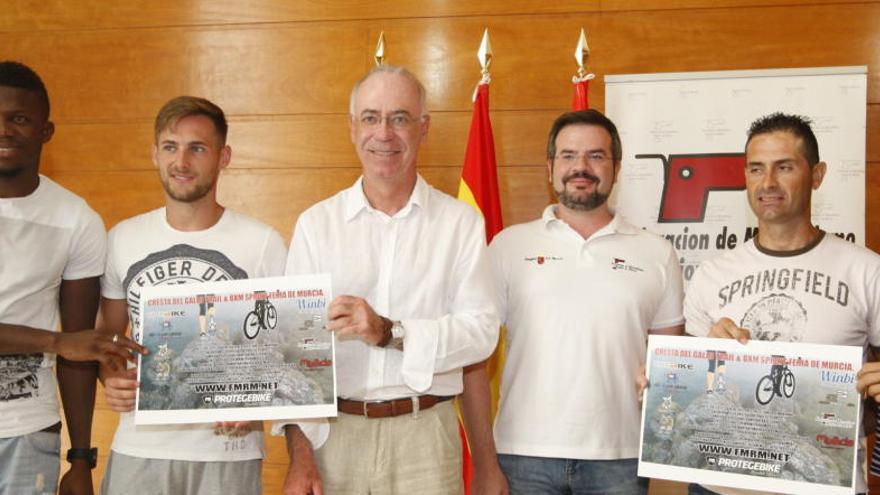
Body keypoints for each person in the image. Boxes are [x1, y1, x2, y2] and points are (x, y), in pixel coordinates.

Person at [278, 65, 500, 495]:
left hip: (427, 441)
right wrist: (300, 459)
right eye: (370, 117)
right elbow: (295, 354)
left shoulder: (460, 224)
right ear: (351, 128)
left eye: (400, 118)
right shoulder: (316, 225)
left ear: (423, 128)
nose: (384, 133)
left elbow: (481, 334)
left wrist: (391, 332)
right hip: (334, 438)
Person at [468, 109, 684, 495]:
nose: (580, 167)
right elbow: (473, 358)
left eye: (596, 156)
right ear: (550, 167)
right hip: (522, 455)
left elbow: (673, 365)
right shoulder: (506, 246)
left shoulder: (657, 253)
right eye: (568, 156)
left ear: (616, 168)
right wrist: (485, 461)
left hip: (620, 458)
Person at [99, 96, 287, 494]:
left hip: (227, 452)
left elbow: (285, 350)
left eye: (197, 148)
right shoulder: (122, 239)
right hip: (140, 447)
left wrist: (256, 403)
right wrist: (110, 377)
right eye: (170, 147)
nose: (181, 162)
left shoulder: (262, 243)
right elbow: (107, 340)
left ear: (224, 157)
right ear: (154, 153)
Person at [685, 112, 880, 495]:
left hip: (823, 484)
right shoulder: (711, 275)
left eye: (784, 167)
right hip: (719, 487)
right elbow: (690, 392)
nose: (768, 183)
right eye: (756, 169)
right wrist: (686, 367)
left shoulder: (866, 270)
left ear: (817, 175)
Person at [0, 60, 143, 495]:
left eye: (19, 119)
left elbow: (80, 344)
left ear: (46, 131)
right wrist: (55, 341)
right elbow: (66, 342)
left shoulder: (76, 219)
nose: (5, 130)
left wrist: (81, 459)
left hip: (28, 430)